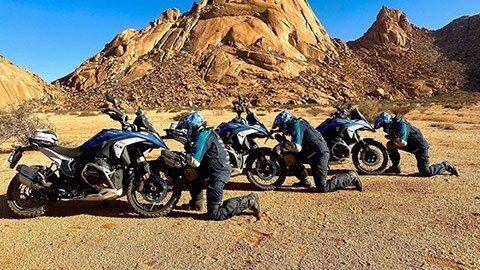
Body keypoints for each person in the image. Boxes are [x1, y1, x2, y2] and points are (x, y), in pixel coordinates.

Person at [175, 112, 261, 221]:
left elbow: (194, 162)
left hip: (219, 174)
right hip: (211, 169)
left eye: (187, 127)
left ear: (194, 126)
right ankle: (196, 203)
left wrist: (182, 155)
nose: (186, 130)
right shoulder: (205, 134)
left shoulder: (203, 136)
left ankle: (249, 200)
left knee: (215, 214)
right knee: (189, 172)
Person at [272, 110, 363, 192]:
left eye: (280, 125)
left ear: (285, 122)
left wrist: (284, 143)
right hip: (311, 154)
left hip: (319, 155)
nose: (281, 128)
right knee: (288, 156)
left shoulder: (296, 125)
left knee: (323, 187)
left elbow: (297, 148)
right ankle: (305, 180)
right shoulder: (298, 124)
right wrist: (283, 144)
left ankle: (350, 177)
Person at [374, 112, 459, 177]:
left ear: (387, 121)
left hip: (420, 147)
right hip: (411, 146)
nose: (383, 128)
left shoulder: (401, 124)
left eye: (383, 125)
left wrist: (394, 140)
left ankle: (445, 165)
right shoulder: (394, 126)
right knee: (390, 144)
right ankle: (395, 167)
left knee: (426, 172)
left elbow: (402, 142)